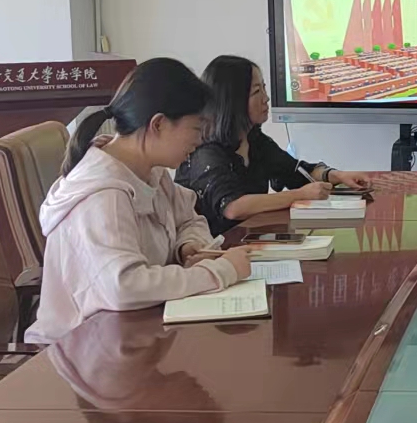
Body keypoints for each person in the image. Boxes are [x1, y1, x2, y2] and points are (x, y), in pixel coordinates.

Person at [27, 58, 254, 344]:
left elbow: (189, 217)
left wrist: (188, 246)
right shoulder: (104, 197)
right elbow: (124, 286)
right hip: (81, 348)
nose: (200, 141)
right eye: (197, 129)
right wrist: (220, 271)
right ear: (158, 124)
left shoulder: (150, 171)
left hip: (134, 335)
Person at [176, 55, 374, 238]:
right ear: (233, 101)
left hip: (248, 241)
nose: (266, 98)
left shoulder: (255, 140)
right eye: (257, 92)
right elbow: (233, 207)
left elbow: (295, 171)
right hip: (214, 251)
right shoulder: (206, 151)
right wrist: (299, 195)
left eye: (264, 88)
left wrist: (339, 176)